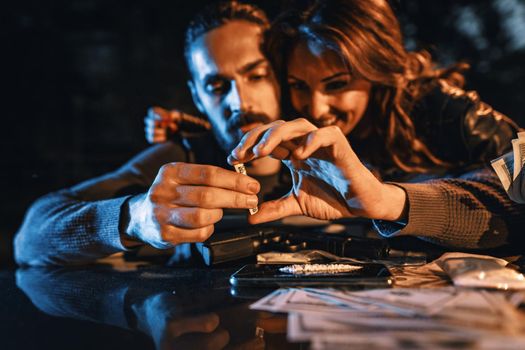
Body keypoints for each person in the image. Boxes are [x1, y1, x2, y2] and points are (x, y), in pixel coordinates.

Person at [228, 0, 525, 250]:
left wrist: (392, 200)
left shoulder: (450, 111)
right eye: (300, 86)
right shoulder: (303, 137)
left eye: (338, 84)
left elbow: (517, 196)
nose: (317, 108)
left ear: (375, 70)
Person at [14, 1, 284, 266]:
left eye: (256, 75)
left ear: (280, 76)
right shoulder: (182, 162)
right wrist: (134, 218)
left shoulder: (319, 152)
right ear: (198, 99)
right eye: (216, 86)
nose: (239, 102)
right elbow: (28, 240)